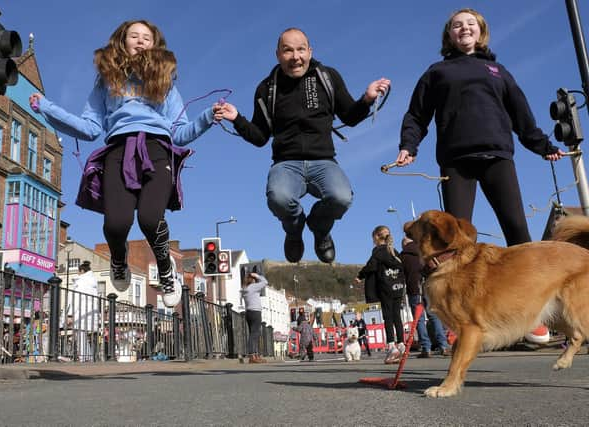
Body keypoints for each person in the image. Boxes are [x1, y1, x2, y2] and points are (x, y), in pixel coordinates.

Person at [395, 8, 564, 343]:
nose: (464, 28)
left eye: (470, 24)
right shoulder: (438, 72)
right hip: (456, 162)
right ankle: (461, 315)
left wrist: (543, 145)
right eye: (457, 25)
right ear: (449, 35)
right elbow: (416, 115)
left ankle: (529, 314)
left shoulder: (498, 71)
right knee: (455, 242)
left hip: (497, 157)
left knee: (518, 232)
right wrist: (408, 146)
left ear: (481, 32)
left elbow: (522, 116)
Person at [29, 20, 223, 308]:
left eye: (147, 37)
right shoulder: (107, 81)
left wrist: (208, 117)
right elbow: (89, 127)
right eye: (135, 35)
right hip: (118, 151)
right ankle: (119, 260)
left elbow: (179, 132)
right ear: (123, 41)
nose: (141, 40)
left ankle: (167, 271)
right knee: (117, 223)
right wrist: (47, 107)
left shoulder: (165, 82)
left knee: (149, 218)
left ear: (154, 45)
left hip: (157, 150)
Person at [218, 28, 391, 264]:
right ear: (278, 54)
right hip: (286, 163)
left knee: (341, 197)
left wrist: (367, 98)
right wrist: (236, 118)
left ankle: (320, 229)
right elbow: (259, 137)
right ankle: (294, 230)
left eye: (301, 49)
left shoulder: (327, 77)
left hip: (323, 161)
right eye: (288, 50)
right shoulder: (267, 88)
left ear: (310, 51)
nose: (295, 56)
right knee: (278, 197)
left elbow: (349, 116)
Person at [355, 226, 406, 364]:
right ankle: (401, 344)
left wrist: (360, 275)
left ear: (377, 237)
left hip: (386, 287)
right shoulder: (394, 252)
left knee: (388, 317)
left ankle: (391, 346)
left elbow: (371, 266)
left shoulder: (378, 252)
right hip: (398, 287)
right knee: (397, 316)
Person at [400, 235, 451, 358]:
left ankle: (426, 348)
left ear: (404, 245)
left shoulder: (402, 257)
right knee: (434, 317)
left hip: (413, 290)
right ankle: (443, 346)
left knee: (419, 320)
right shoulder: (424, 252)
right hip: (427, 287)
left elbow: (401, 275)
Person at [70, 261, 99, 361]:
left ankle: (84, 358)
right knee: (85, 336)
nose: (77, 274)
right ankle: (89, 357)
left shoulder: (81, 281)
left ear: (82, 271)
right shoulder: (93, 282)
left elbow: (76, 298)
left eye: (78, 271)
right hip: (91, 312)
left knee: (80, 336)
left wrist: (70, 314)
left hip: (81, 312)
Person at [240, 272, 268, 363]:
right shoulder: (253, 287)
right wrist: (256, 275)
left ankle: (255, 355)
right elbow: (265, 282)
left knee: (254, 334)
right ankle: (252, 356)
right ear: (251, 279)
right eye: (254, 279)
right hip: (255, 312)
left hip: (249, 312)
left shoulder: (244, 289)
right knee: (254, 334)